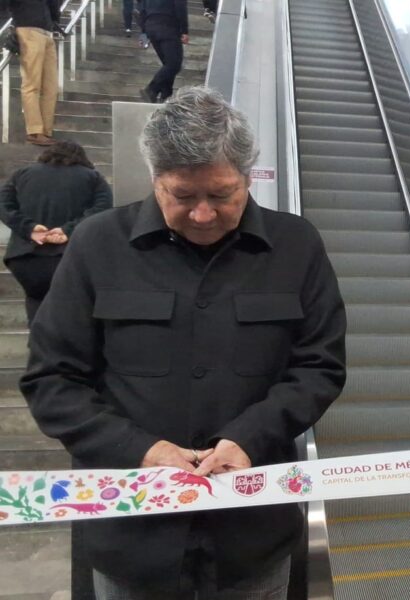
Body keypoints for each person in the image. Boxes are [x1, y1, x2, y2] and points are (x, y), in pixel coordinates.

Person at [21, 87, 347, 599]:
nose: (202, 214)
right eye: (182, 195)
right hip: (131, 534)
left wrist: (249, 438)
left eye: (221, 195)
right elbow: (52, 379)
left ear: (248, 175)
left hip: (252, 533)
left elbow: (318, 366)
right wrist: (141, 450)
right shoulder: (98, 243)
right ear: (155, 180)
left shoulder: (296, 245)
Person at [0, 140, 112, 323]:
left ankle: (37, 345)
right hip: (70, 256)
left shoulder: (21, 174)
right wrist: (68, 230)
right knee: (72, 310)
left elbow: (3, 204)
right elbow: (103, 207)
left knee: (35, 300)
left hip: (25, 257)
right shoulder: (93, 177)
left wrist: (29, 228)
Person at [1, 0, 60, 145]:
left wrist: (54, 20)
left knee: (51, 87)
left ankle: (46, 130)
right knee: (32, 83)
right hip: (27, 29)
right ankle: (34, 131)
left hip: (47, 31)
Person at [139, 0, 187, 103]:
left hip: (151, 28)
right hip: (168, 27)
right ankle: (152, 89)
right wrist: (184, 30)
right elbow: (180, 6)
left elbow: (142, 10)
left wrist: (143, 35)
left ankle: (166, 96)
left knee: (168, 64)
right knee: (174, 65)